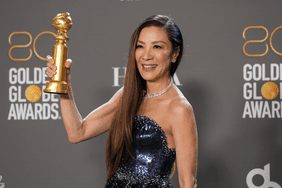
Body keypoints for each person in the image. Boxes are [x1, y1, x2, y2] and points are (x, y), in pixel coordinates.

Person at [46, 15, 198, 188]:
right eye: (140, 46)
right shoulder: (128, 96)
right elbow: (77, 132)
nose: (146, 56)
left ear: (174, 54)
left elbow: (188, 182)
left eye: (157, 46)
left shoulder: (179, 109)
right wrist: (64, 83)